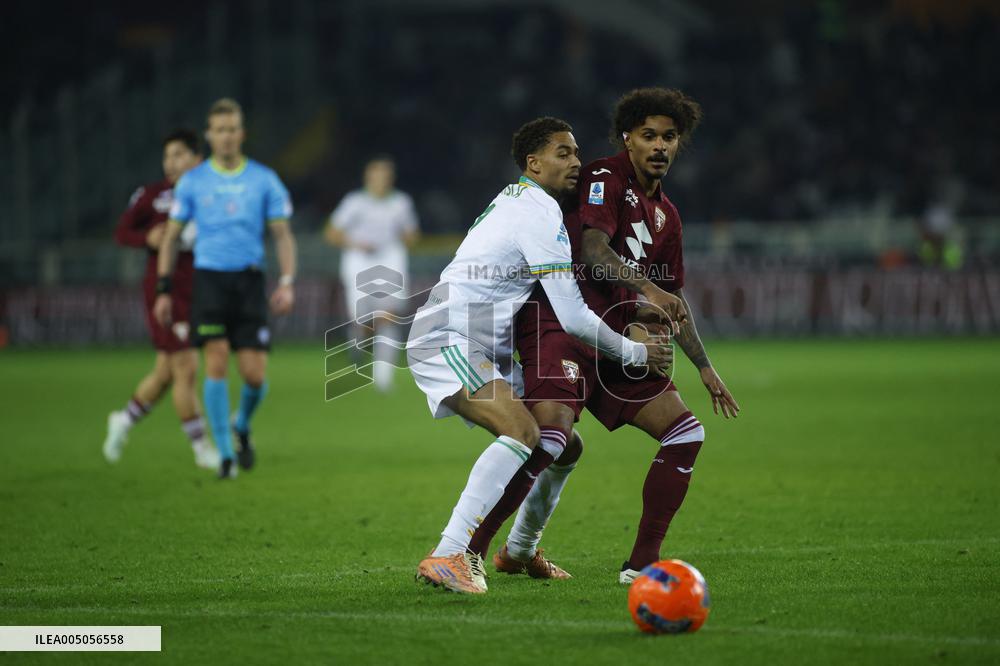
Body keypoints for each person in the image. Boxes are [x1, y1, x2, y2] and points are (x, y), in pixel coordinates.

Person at [405, 117, 678, 594]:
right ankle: (449, 552)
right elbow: (572, 316)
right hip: (448, 336)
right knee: (523, 431)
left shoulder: (520, 201)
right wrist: (635, 351)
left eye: (576, 152)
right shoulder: (538, 214)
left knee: (563, 445)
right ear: (533, 163)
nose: (576, 162)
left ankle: (522, 550)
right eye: (562, 153)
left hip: (478, 342)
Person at [481, 88, 741, 583]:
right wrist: (647, 290)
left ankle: (641, 563)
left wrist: (705, 368)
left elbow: (673, 296)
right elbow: (595, 251)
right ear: (628, 138)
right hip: (564, 323)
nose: (659, 146)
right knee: (550, 436)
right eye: (648, 136)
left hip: (619, 340)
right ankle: (470, 550)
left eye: (669, 137)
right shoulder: (605, 176)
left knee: (686, 432)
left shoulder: (668, 217)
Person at [154, 98, 298, 480]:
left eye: (232, 129)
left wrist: (286, 282)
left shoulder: (264, 179)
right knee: (215, 361)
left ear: (242, 134)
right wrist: (164, 289)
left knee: (254, 376)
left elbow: (282, 235)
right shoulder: (193, 181)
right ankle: (223, 454)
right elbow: (170, 238)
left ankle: (242, 425)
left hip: (249, 282)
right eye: (219, 130)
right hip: (210, 281)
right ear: (209, 135)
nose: (226, 136)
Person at [103, 129, 219, 470]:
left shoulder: (212, 193)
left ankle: (123, 421)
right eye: (167, 156)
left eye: (179, 154)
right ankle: (202, 450)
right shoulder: (152, 196)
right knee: (186, 368)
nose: (171, 162)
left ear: (197, 159)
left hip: (201, 288)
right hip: (164, 292)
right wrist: (147, 237)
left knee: (165, 372)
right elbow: (122, 232)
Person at [324, 156, 420, 391]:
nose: (381, 180)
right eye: (376, 175)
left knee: (388, 316)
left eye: (385, 176)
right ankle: (357, 342)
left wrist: (404, 237)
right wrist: (356, 243)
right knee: (363, 320)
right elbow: (331, 233)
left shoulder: (401, 203)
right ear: (368, 177)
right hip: (359, 261)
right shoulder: (355, 202)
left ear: (391, 178)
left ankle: (383, 378)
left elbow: (412, 235)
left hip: (390, 260)